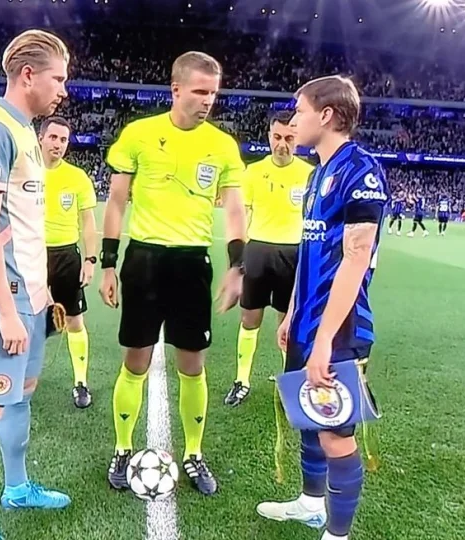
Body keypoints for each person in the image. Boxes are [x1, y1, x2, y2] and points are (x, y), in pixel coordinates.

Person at [99, 51, 246, 496]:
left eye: (213, 93)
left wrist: (238, 266)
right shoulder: (138, 135)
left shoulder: (223, 146)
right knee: (136, 361)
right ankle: (123, 448)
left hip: (192, 263)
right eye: (200, 91)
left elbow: (235, 210)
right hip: (143, 261)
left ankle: (194, 453)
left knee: (192, 365)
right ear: (176, 89)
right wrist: (108, 264)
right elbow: (116, 203)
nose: (208, 100)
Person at [0, 29, 72, 540]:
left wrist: (41, 294)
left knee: (20, 396)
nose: (63, 89)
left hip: (31, 295)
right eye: (58, 78)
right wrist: (6, 310)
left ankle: (17, 487)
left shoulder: (26, 133)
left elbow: (22, 224)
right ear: (28, 75)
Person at [257, 75, 385, 540]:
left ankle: (338, 534)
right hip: (307, 320)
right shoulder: (315, 176)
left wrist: (326, 339)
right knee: (309, 414)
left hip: (341, 328)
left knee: (335, 431)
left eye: (300, 111)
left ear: (326, 115)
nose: (294, 121)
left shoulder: (361, 171)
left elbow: (356, 257)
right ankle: (311, 504)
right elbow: (310, 251)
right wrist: (293, 312)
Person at [226, 110, 314, 407]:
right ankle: (241, 380)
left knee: (287, 321)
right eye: (277, 137)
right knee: (249, 318)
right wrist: (237, 261)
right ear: (269, 137)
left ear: (297, 139)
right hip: (258, 251)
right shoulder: (252, 173)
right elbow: (241, 216)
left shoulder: (309, 174)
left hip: (293, 253)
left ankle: (290, 384)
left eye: (289, 138)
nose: (282, 144)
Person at [39, 116, 98, 409]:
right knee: (27, 319)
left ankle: (80, 383)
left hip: (66, 256)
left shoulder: (77, 177)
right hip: (32, 254)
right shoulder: (25, 172)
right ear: (41, 138)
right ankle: (22, 377)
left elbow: (88, 223)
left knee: (74, 320)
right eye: (53, 137)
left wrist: (90, 259)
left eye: (63, 139)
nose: (59, 144)